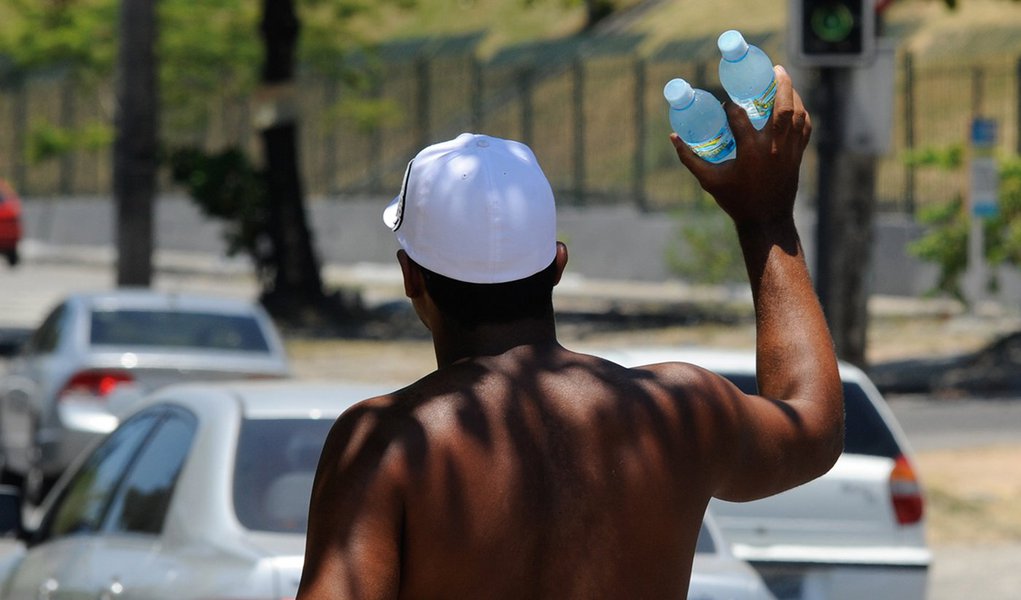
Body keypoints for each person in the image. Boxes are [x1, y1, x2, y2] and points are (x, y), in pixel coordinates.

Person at [297, 65, 843, 599]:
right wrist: (765, 217)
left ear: (411, 277)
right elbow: (814, 424)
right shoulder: (679, 412)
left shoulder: (389, 443)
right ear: (557, 265)